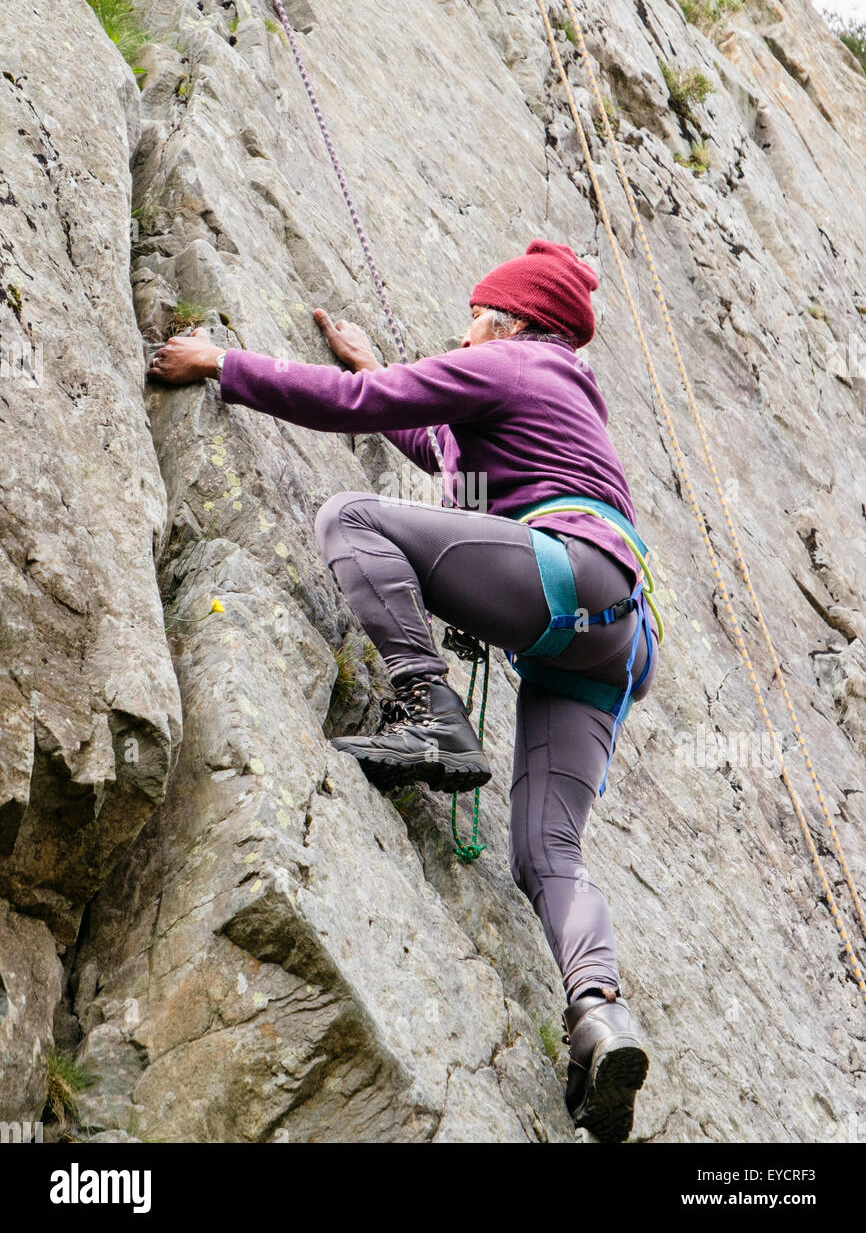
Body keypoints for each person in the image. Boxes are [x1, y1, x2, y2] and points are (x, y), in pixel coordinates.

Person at [147, 238, 660, 1142]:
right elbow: (445, 460)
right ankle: (600, 1016)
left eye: (474, 314)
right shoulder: (554, 392)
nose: (464, 331)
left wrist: (223, 363)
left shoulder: (509, 362)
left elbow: (359, 406)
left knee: (349, 518)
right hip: (611, 637)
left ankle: (431, 713)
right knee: (549, 857)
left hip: (562, 577)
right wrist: (380, 368)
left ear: (510, 319)